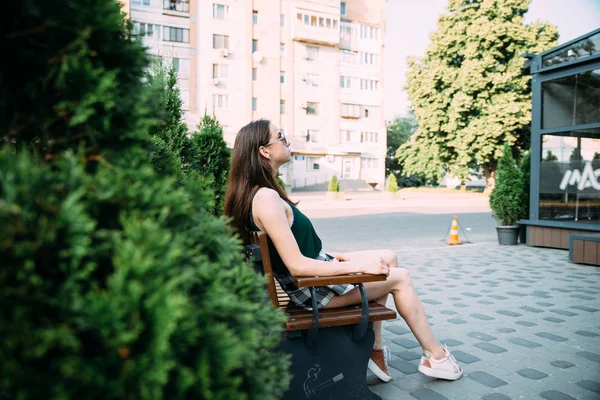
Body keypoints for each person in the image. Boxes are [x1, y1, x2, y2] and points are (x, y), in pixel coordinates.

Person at [224, 119, 463, 382]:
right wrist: (358, 268)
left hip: (310, 281)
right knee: (400, 277)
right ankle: (435, 356)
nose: (287, 140)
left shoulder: (259, 193)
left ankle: (374, 353)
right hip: (312, 291)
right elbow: (297, 266)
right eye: (280, 136)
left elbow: (290, 248)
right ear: (264, 151)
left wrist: (331, 255)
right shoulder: (266, 198)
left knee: (389, 256)